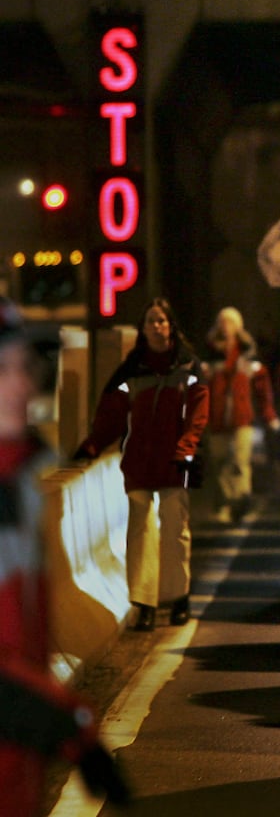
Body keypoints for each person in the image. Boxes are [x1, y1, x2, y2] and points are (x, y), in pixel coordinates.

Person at [0, 297, 130, 813]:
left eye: (25, 367)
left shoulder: (17, 487)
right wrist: (74, 730)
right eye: (4, 370)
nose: (25, 385)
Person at [75, 298, 209, 632]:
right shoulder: (130, 371)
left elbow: (198, 414)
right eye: (151, 321)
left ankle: (178, 599)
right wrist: (93, 444)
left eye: (162, 321)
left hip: (175, 462)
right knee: (141, 532)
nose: (157, 327)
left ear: (171, 326)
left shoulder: (189, 367)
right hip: (138, 462)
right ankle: (145, 604)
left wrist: (186, 449)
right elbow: (112, 415)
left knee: (175, 530)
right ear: (143, 328)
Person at [202, 307, 280, 524]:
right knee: (219, 462)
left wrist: (269, 414)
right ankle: (225, 502)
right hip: (216, 418)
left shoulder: (247, 353)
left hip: (241, 417)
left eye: (230, 323)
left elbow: (262, 387)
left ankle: (240, 503)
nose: (226, 327)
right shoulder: (209, 353)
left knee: (239, 461)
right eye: (223, 322)